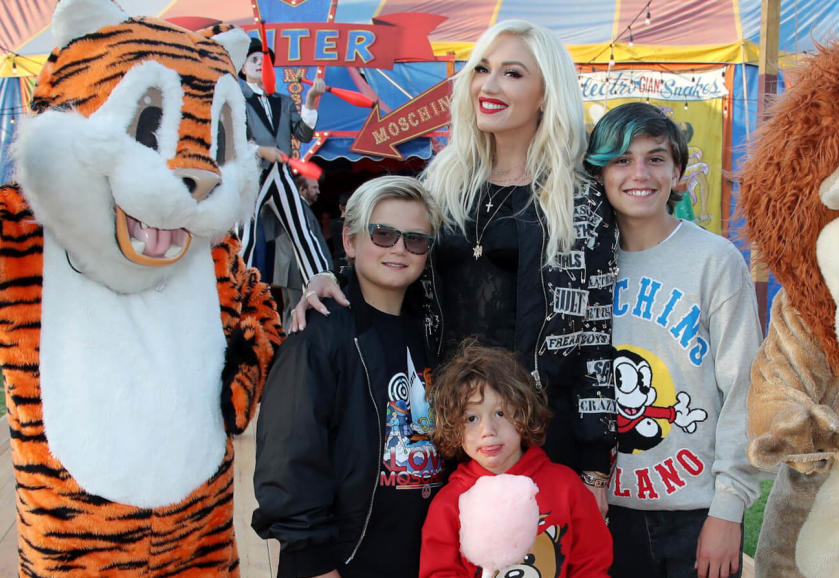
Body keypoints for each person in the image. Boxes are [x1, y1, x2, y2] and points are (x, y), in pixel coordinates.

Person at [293, 20, 618, 510]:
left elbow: (595, 336)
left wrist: (595, 467)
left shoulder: (580, 200)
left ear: (547, 94)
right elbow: (392, 255)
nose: (489, 85)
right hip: (442, 436)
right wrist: (334, 276)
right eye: (482, 69)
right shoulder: (441, 181)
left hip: (540, 440)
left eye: (512, 74)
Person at [584, 102, 762, 578]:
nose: (640, 173)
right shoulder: (582, 266)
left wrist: (729, 508)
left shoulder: (714, 261)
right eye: (624, 160)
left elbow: (745, 389)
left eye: (656, 158)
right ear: (601, 172)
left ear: (678, 171)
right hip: (617, 514)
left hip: (697, 512)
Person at [252, 176, 448, 578]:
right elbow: (289, 454)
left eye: (415, 239)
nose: (399, 249)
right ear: (351, 240)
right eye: (383, 234)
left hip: (415, 576)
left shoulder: (429, 330)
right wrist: (311, 561)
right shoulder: (320, 332)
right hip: (340, 569)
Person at [418, 342, 618, 578]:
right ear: (453, 426)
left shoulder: (565, 487)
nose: (487, 431)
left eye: (501, 413)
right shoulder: (451, 502)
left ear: (523, 414)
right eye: (471, 417)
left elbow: (590, 569)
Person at [239, 38, 332, 286]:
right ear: (243, 68)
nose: (260, 64)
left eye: (264, 60)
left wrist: (311, 100)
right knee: (244, 235)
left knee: (302, 230)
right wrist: (259, 150)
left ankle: (319, 280)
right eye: (254, 60)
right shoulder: (237, 99)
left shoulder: (284, 101)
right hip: (253, 173)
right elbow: (233, 137)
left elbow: (303, 134)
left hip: (280, 173)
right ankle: (236, 289)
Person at [271, 173, 322, 321]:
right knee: (297, 312)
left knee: (290, 311)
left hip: (288, 269)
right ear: (301, 189)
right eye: (314, 187)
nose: (318, 191)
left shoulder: (296, 207)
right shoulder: (298, 208)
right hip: (295, 270)